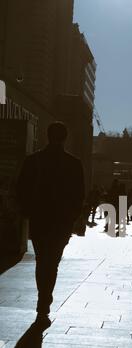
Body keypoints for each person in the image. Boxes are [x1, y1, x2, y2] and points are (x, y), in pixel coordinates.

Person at [16, 122, 85, 327]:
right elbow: (79, 194)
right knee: (53, 262)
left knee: (41, 259)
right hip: (61, 220)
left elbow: (21, 188)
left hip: (39, 218)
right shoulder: (74, 163)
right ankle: (45, 298)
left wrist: (27, 210)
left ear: (47, 136)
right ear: (65, 138)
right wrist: (73, 216)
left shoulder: (33, 160)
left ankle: (42, 296)